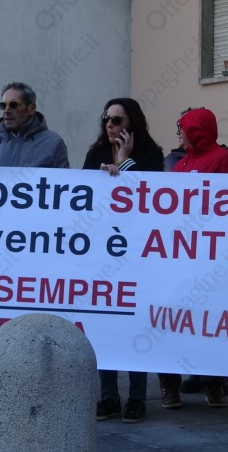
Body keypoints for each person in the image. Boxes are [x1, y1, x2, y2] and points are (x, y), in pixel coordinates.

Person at [83, 97, 163, 423]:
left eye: (117, 120)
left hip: (137, 252)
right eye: (107, 119)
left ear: (132, 123)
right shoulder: (95, 154)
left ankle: (137, 398)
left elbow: (151, 200)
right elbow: (86, 198)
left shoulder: (151, 155)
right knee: (104, 324)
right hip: (103, 251)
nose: (110, 125)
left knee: (134, 324)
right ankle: (108, 396)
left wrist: (125, 163)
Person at [158, 107, 228, 410]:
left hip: (210, 257)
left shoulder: (223, 159)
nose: (178, 133)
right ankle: (169, 385)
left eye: (182, 126)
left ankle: (213, 383)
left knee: (209, 322)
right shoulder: (180, 163)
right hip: (179, 256)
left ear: (195, 129)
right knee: (169, 321)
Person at [0, 81, 69, 168]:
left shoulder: (53, 143)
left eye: (13, 105)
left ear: (31, 109)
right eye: (3, 105)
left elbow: (63, 178)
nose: (6, 111)